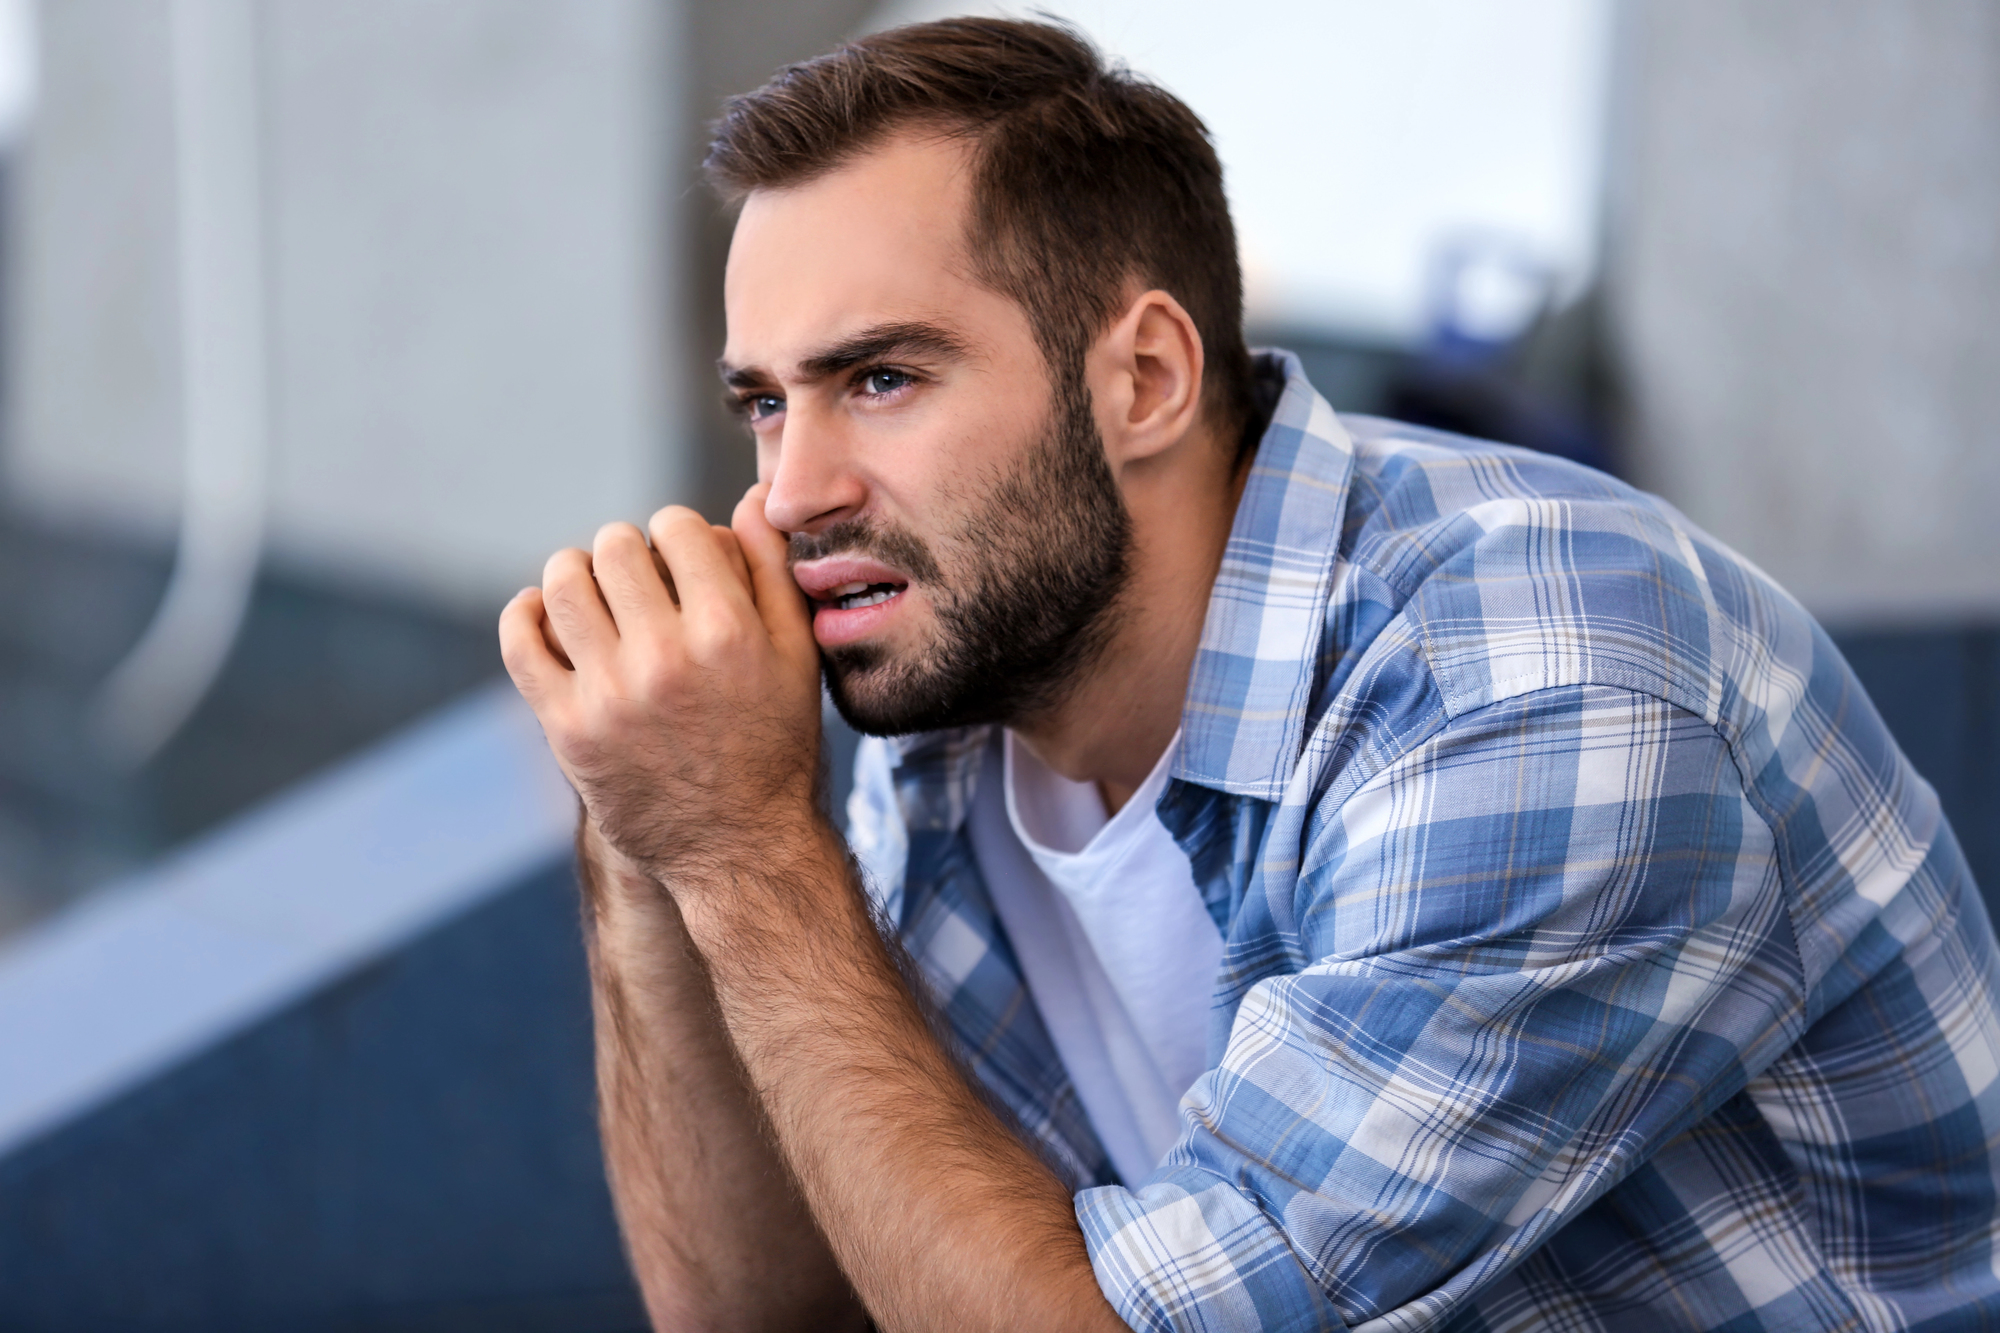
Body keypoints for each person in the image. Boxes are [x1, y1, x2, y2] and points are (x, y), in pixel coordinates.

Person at [497, 17, 2000, 1332]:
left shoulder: (1539, 685)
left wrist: (746, 847)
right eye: (767, 403)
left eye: (882, 378)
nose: (789, 492)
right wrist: (653, 832)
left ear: (1142, 377)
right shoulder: (954, 691)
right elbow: (768, 1307)